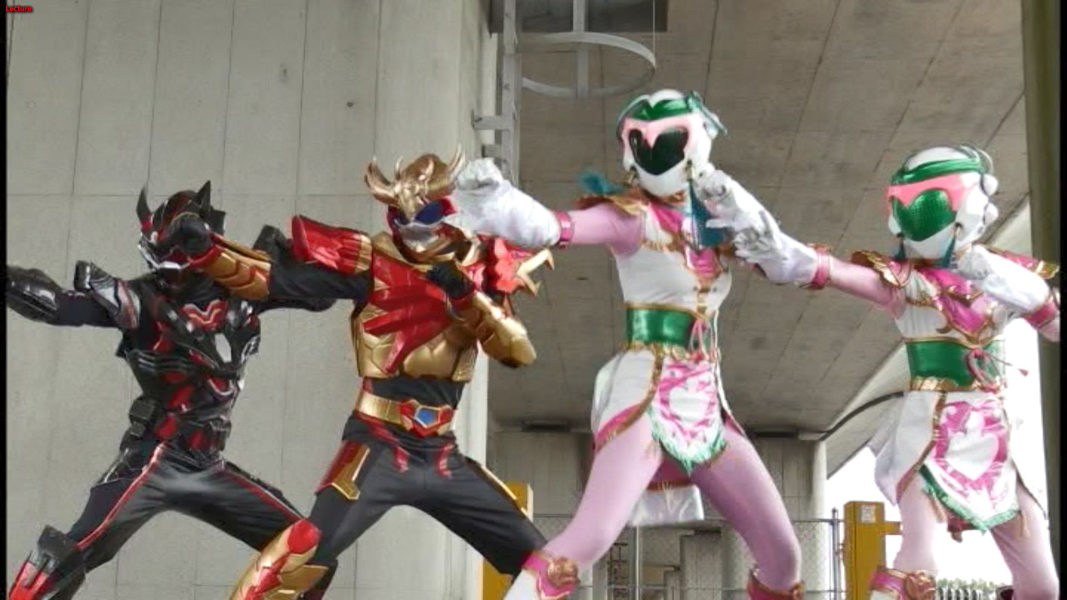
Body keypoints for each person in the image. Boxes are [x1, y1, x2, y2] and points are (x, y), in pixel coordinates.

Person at [447, 89, 805, 599]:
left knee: (784, 559)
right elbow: (552, 227)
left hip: (706, 406)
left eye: (669, 138)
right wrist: (495, 199)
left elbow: (783, 261)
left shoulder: (720, 221)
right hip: (647, 399)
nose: (654, 150)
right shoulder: (630, 216)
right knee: (585, 542)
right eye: (641, 140)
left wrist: (743, 212)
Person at [163, 150, 553, 599]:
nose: (411, 228)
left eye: (425, 215)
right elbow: (270, 279)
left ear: (451, 213)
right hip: (378, 444)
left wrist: (467, 296)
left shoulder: (482, 269)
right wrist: (207, 251)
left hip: (441, 454)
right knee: (300, 558)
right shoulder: (372, 260)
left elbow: (517, 353)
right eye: (398, 216)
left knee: (547, 569)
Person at [700, 145, 1059, 599]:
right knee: (919, 563)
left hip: (997, 442)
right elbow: (824, 270)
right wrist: (771, 243)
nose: (913, 218)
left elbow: (1054, 325)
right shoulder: (907, 283)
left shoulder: (1004, 275)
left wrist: (1012, 284)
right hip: (932, 439)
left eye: (925, 205)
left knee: (1042, 587)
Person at [6, 183, 336, 600]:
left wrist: (303, 260)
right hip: (153, 461)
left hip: (208, 466)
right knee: (68, 555)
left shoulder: (244, 291)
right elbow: (56, 304)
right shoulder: (141, 301)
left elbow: (320, 293)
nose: (173, 266)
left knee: (308, 555)